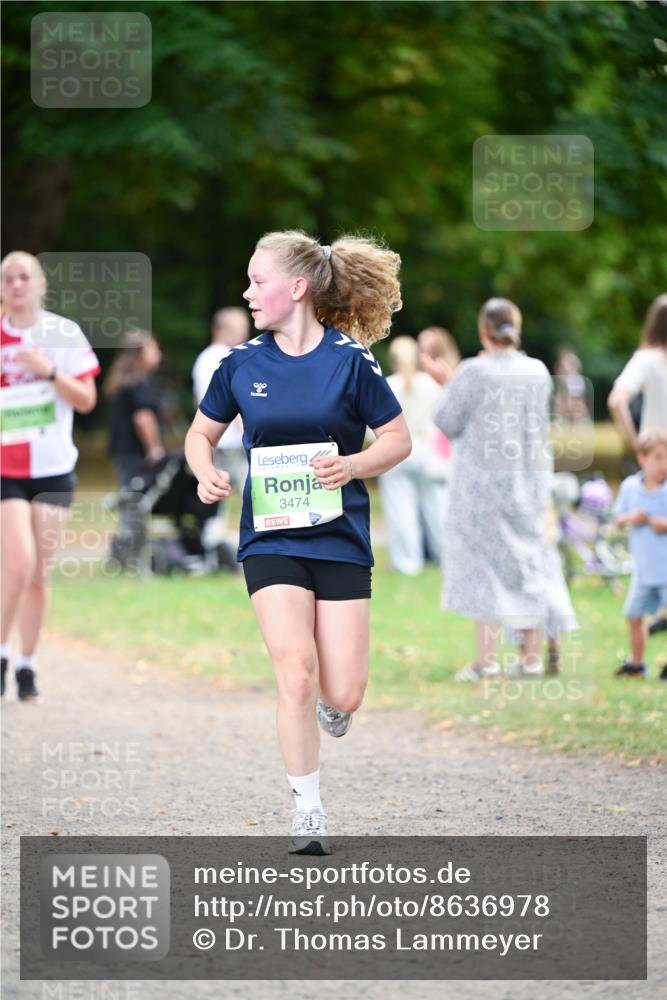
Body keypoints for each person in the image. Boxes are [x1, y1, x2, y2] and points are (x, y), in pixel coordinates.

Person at [185, 230, 411, 853]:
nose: (247, 292)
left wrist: (354, 466)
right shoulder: (240, 364)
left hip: (339, 538)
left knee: (344, 691)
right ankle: (307, 809)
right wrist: (206, 472)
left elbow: (398, 439)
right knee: (296, 670)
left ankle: (333, 709)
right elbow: (198, 436)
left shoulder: (350, 360)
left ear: (298, 287)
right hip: (271, 541)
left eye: (258, 281)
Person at [432, 297, 552, 680]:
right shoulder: (538, 371)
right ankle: (530, 657)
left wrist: (446, 383)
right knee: (525, 564)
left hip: (481, 485)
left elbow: (446, 420)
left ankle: (487, 660)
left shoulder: (474, 372)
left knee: (483, 568)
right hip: (529, 481)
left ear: (483, 330)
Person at [1, 251, 100, 701]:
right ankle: (1, 651)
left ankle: (27, 664)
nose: (17, 284)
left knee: (40, 573)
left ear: (40, 285)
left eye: (25, 277)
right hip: (6, 469)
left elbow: (86, 399)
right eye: (8, 278)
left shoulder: (63, 333)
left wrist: (50, 371)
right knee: (17, 565)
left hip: (54, 468)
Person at [378, 335, 447, 574]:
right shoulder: (429, 384)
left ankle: (408, 562)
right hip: (426, 452)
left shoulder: (387, 385)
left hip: (396, 454)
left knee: (401, 509)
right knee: (435, 506)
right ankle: (443, 555)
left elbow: (372, 429)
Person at [612, 430, 667, 680]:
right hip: (643, 572)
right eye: (658, 457)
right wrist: (631, 518)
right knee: (634, 616)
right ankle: (636, 664)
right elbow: (618, 520)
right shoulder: (630, 488)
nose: (664, 464)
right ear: (642, 458)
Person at [192, 307, 249, 490]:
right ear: (219, 329)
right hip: (232, 439)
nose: (244, 334)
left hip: (212, 437)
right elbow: (238, 400)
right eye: (238, 329)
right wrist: (247, 434)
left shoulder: (203, 358)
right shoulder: (228, 358)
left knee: (215, 493)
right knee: (254, 493)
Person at [104, 329, 165, 488]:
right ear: (139, 354)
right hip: (137, 452)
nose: (158, 353)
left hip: (123, 450)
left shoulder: (123, 380)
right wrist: (154, 448)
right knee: (135, 498)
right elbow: (143, 417)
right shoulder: (139, 382)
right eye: (153, 349)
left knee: (128, 493)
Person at [608, 294, 667, 449]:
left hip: (657, 456)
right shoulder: (648, 359)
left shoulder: (645, 359)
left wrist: (636, 444)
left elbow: (616, 402)